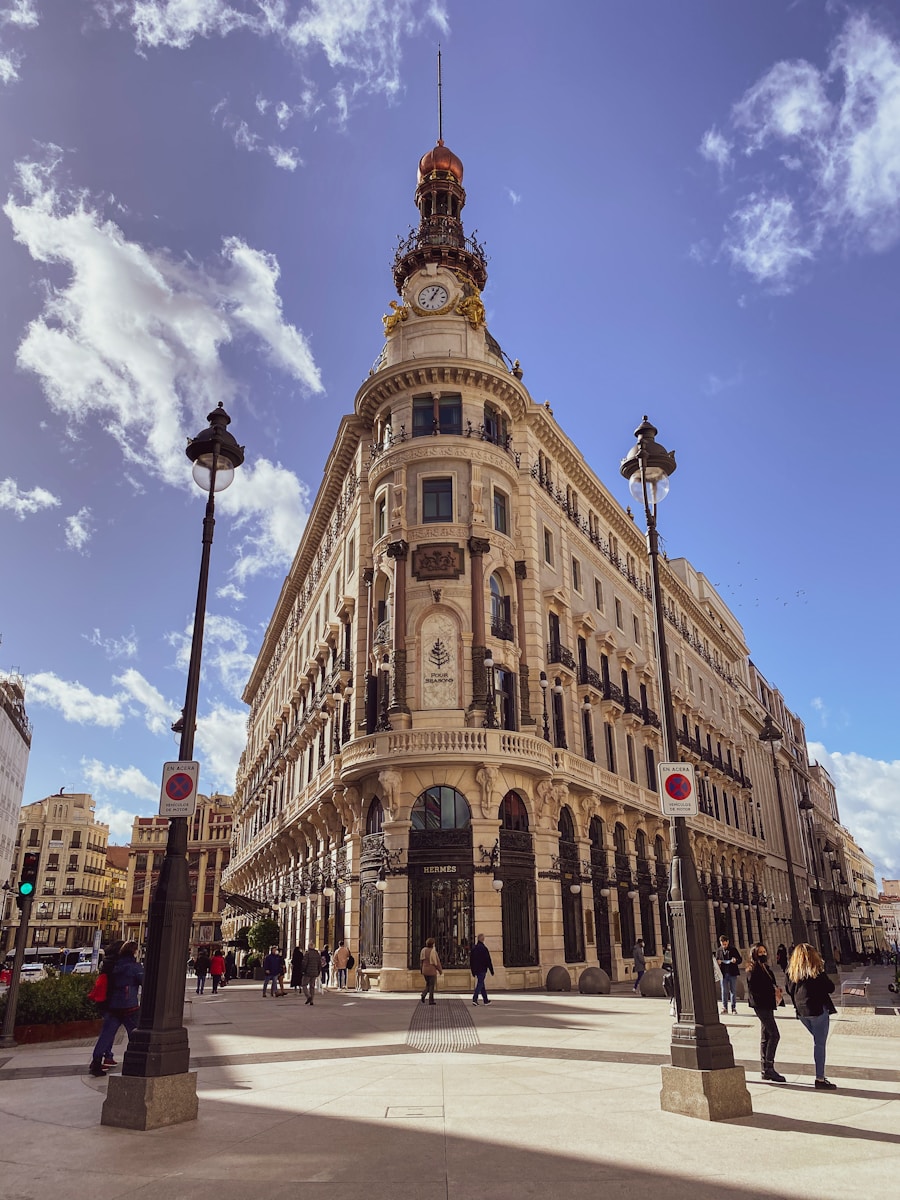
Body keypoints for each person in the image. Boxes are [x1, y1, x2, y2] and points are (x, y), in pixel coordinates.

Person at [786, 942, 837, 1089]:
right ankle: (820, 1079)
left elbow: (789, 989)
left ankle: (821, 1077)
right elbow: (830, 988)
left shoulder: (791, 973)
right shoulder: (816, 971)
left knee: (817, 1040)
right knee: (819, 1044)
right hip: (817, 1011)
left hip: (802, 1012)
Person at [88, 940, 143, 1077]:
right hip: (129, 1006)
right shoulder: (134, 967)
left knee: (106, 1035)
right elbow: (144, 982)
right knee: (136, 1035)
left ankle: (96, 1062)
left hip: (113, 1005)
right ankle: (138, 1061)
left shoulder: (113, 965)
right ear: (134, 952)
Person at [746, 943, 786, 1082]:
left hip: (768, 1004)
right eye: (760, 952)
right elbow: (754, 990)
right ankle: (769, 1067)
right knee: (775, 1035)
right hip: (761, 1005)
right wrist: (770, 992)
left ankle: (765, 1069)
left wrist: (776, 989)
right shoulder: (752, 969)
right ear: (754, 954)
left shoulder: (766, 968)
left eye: (764, 951)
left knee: (766, 1035)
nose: (763, 954)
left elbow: (770, 984)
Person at [716, 935, 741, 1013]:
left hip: (732, 973)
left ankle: (733, 1008)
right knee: (724, 991)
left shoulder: (733, 949)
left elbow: (740, 960)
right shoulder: (719, 950)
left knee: (733, 990)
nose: (724, 945)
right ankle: (724, 1007)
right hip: (723, 974)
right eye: (722, 944)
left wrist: (735, 960)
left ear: (728, 942)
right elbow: (716, 961)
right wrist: (718, 962)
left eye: (725, 944)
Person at [470, 933, 494, 1005]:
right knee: (480, 984)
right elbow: (488, 960)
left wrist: (473, 971)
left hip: (476, 969)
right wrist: (491, 970)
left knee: (481, 984)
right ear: (483, 939)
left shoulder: (474, 948)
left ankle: (485, 1000)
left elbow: (471, 960)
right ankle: (475, 999)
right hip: (482, 969)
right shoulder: (484, 948)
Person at [419, 937, 443, 1004]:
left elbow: (421, 961)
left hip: (424, 970)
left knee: (428, 984)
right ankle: (431, 1000)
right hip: (431, 971)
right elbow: (437, 962)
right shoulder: (433, 951)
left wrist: (421, 969)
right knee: (431, 985)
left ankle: (424, 994)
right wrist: (440, 970)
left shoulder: (423, 950)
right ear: (433, 944)